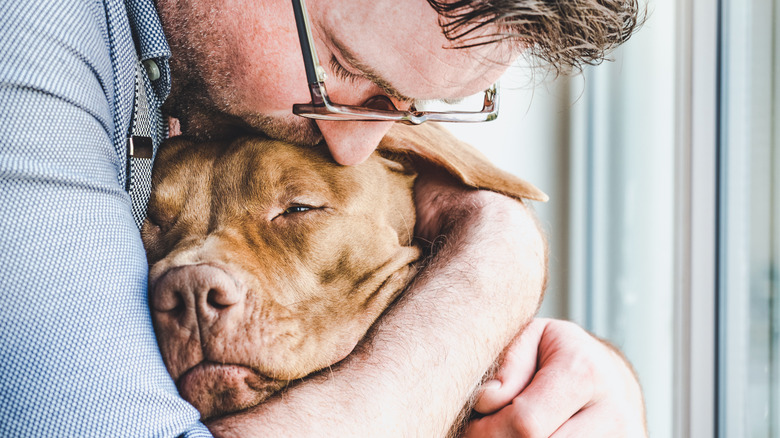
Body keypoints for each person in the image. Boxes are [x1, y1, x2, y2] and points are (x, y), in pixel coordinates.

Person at [0, 0, 645, 436]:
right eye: (339, 65)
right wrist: (497, 260)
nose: (354, 145)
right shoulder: (29, 41)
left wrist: (570, 392)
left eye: (404, 104)